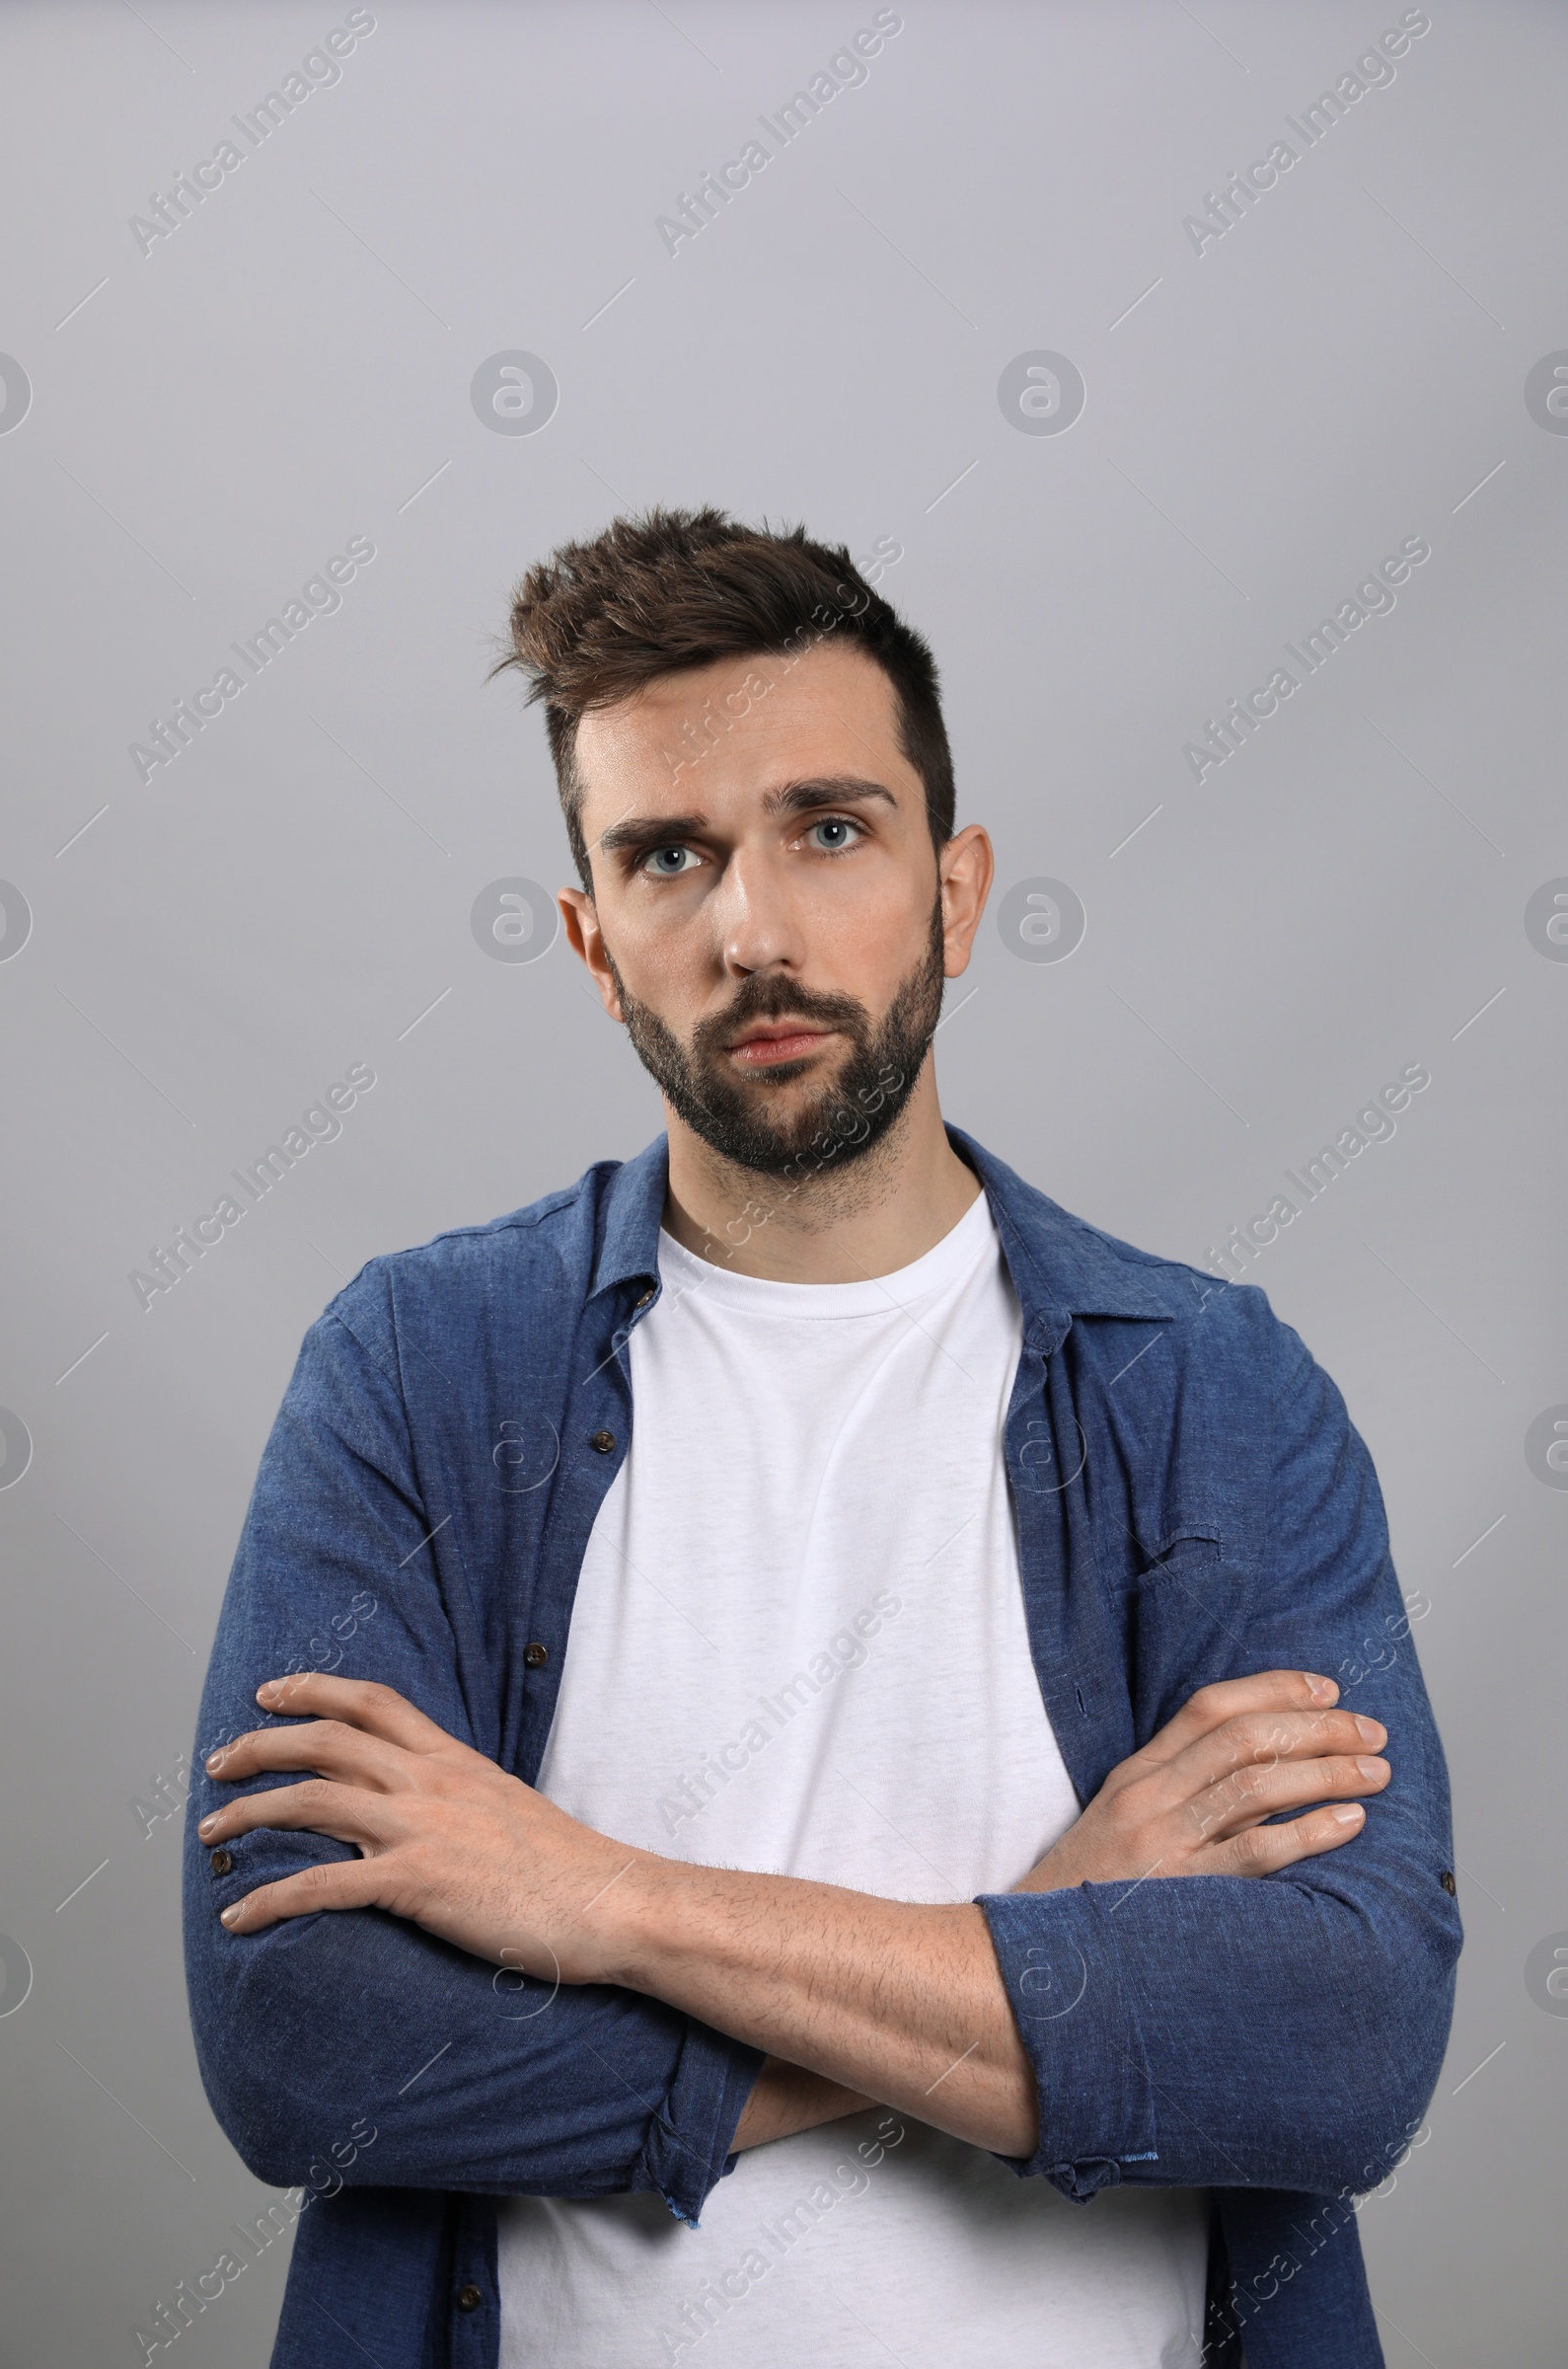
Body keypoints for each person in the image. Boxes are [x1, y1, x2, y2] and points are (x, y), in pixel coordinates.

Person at [183, 508, 1459, 2369]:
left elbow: (1342, 2046)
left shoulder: (1207, 1390)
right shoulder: (419, 1372)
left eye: (830, 830)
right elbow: (308, 2053)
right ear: (593, 942)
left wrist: (603, 1903)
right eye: (667, 858)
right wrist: (1041, 1939)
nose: (754, 930)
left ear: (955, 888)